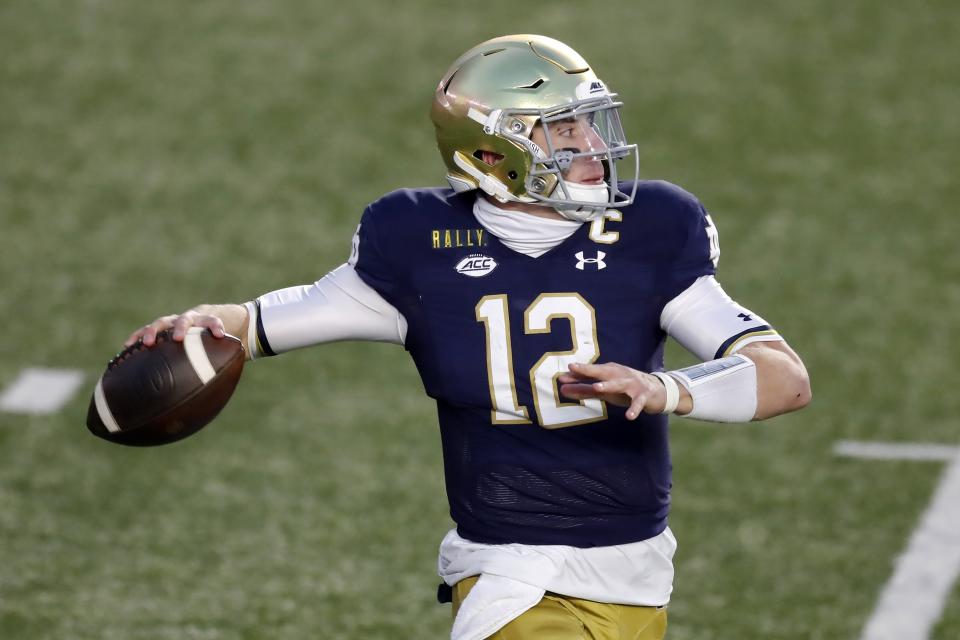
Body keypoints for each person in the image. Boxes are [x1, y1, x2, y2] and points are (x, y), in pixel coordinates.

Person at [126, 34, 810, 640]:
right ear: (492, 151)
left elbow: (783, 377)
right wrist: (207, 324)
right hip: (513, 572)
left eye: (592, 125)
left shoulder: (653, 229)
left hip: (636, 568)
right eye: (564, 133)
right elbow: (277, 318)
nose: (596, 148)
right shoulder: (417, 244)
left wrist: (665, 390)